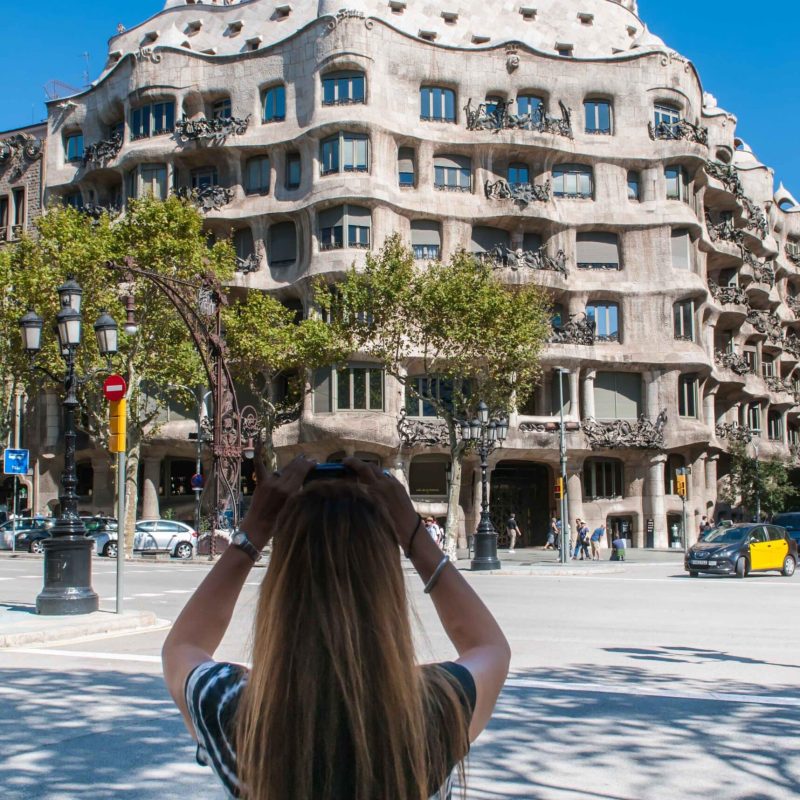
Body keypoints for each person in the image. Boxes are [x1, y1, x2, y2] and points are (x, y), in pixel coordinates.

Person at [162, 453, 510, 800]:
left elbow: (183, 647)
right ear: (386, 587)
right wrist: (413, 535)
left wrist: (254, 531)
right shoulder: (437, 709)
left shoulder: (236, 711)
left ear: (282, 587)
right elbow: (489, 647)